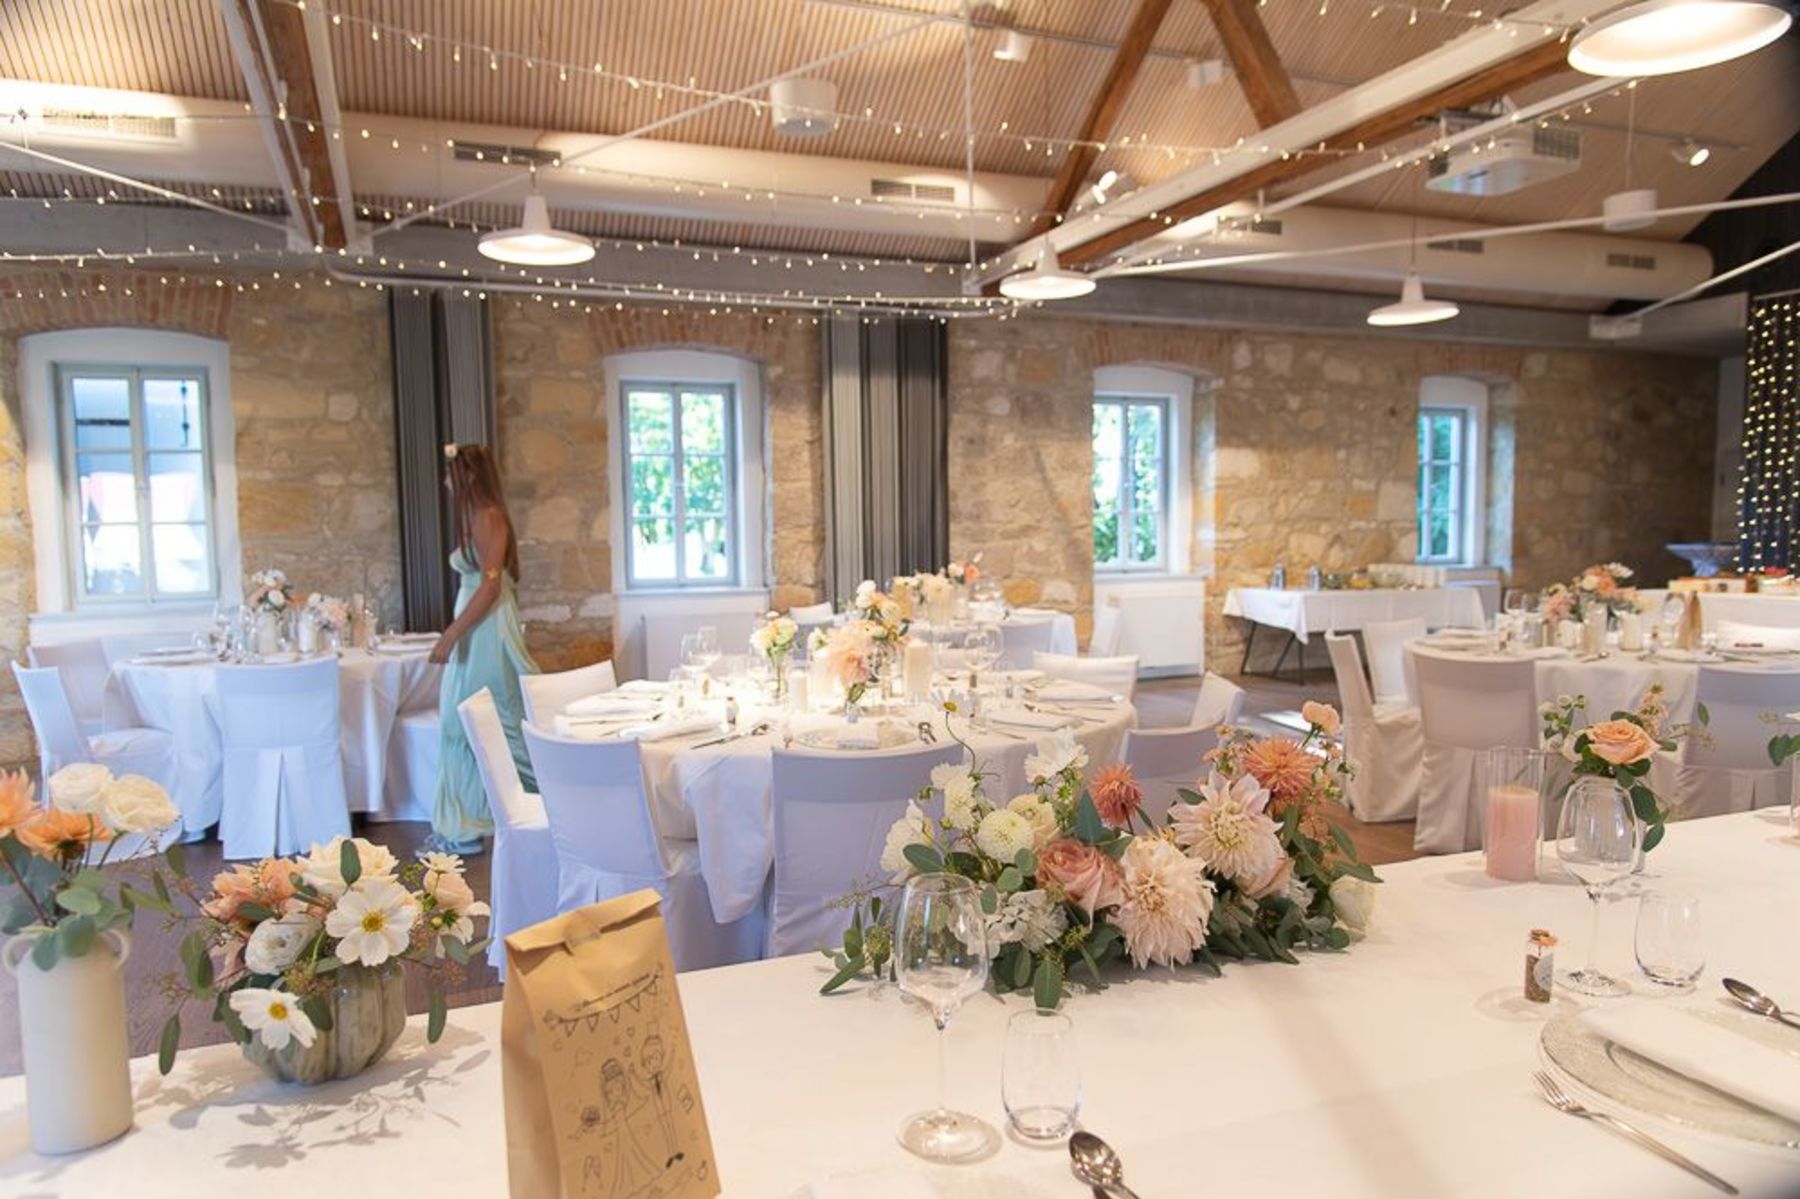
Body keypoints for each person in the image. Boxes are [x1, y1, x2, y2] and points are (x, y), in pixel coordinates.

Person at [429, 442, 537, 853]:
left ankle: (541, 803)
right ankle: (467, 823)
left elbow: (490, 586)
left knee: (491, 718)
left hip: (486, 630)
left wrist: (452, 633)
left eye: (450, 473)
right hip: (477, 627)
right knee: (464, 720)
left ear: (468, 475)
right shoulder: (476, 516)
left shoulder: (489, 516)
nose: (445, 481)